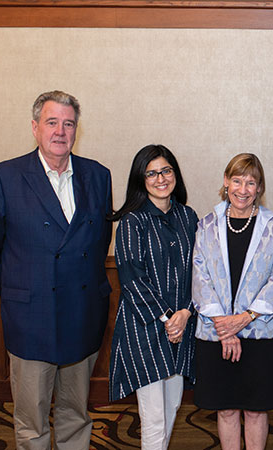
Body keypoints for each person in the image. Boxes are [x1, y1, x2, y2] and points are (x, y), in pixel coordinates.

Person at [0, 90, 113, 449]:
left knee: (75, 414)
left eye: (68, 124)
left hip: (83, 314)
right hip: (30, 317)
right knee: (32, 421)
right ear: (35, 127)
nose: (60, 131)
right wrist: (20, 289)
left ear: (76, 130)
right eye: (52, 122)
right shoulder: (5, 176)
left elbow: (98, 244)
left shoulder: (98, 176)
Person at [192, 153, 273, 450]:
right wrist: (226, 327)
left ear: (260, 187)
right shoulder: (206, 225)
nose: (243, 189)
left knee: (256, 409)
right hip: (215, 334)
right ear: (225, 182)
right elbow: (200, 277)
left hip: (260, 334)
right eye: (237, 180)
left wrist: (243, 318)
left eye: (251, 182)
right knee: (225, 408)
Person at [109, 145, 198, 449]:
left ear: (175, 174)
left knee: (172, 406)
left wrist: (184, 314)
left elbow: (199, 273)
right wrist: (167, 319)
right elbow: (133, 279)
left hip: (182, 328)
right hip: (145, 330)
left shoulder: (189, 217)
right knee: (154, 415)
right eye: (151, 172)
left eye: (166, 170)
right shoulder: (132, 222)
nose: (161, 178)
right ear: (140, 179)